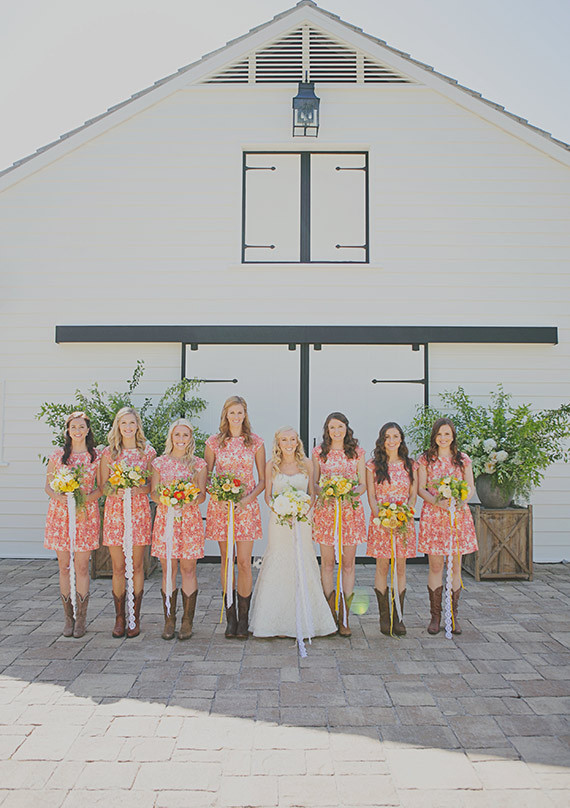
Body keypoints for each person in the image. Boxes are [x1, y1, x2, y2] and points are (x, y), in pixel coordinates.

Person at [250, 427, 336, 648]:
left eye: (292, 439)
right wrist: (280, 509)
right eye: (284, 440)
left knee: (303, 561)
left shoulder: (307, 464)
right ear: (277, 443)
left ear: (298, 442)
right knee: (279, 562)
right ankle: (275, 622)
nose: (288, 443)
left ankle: (309, 618)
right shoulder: (272, 465)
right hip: (279, 523)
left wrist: (302, 511)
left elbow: (312, 494)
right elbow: (268, 496)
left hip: (302, 521)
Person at [205, 396, 265, 638]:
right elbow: (206, 477)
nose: (236, 417)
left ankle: (244, 619)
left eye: (240, 412)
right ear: (225, 415)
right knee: (226, 560)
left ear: (245, 414)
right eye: (232, 413)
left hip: (246, 508)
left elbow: (262, 480)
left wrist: (247, 499)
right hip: (221, 508)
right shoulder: (214, 442)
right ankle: (230, 618)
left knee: (243, 562)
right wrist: (219, 494)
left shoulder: (256, 443)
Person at [100, 407, 156, 638]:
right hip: (115, 512)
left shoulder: (148, 452)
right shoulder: (109, 453)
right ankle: (120, 617)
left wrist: (135, 488)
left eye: (132, 423)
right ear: (118, 426)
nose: (128, 427)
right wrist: (119, 488)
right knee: (118, 567)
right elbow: (103, 486)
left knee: (137, 566)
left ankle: (135, 616)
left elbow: (153, 488)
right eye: (124, 423)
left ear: (138, 425)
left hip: (139, 511)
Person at [417, 418, 477, 635]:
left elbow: (470, 487)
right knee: (435, 566)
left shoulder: (463, 460)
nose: (443, 438)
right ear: (434, 436)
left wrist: (461, 499)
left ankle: (453, 615)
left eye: (447, 434)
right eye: (440, 434)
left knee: (455, 567)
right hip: (434, 516)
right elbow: (421, 489)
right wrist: (437, 501)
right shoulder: (426, 459)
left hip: (456, 516)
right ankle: (435, 616)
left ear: (453, 436)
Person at [44, 411, 101, 638]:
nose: (77, 431)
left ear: (88, 430)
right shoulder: (58, 455)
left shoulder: (96, 456)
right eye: (73, 427)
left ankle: (82, 619)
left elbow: (101, 488)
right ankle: (68, 618)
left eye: (81, 427)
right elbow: (48, 486)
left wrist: (80, 499)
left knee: (82, 567)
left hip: (86, 516)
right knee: (64, 566)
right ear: (68, 431)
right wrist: (62, 496)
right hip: (60, 516)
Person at [151, 419, 206, 640]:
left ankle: (187, 621)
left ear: (190, 438)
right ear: (171, 437)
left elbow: (202, 495)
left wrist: (187, 500)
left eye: (185, 435)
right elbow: (154, 493)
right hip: (166, 520)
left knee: (188, 570)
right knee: (168, 570)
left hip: (190, 521)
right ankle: (169, 619)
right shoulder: (159, 463)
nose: (181, 439)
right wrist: (168, 499)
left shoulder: (198, 464)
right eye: (177, 435)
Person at [312, 412, 366, 637]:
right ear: (327, 429)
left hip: (350, 513)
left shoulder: (357, 453)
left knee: (348, 563)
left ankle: (344, 615)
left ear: (346, 428)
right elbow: (314, 483)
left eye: (340, 426)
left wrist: (348, 493)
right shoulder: (318, 453)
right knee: (326, 563)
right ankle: (328, 614)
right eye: (332, 427)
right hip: (326, 511)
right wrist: (326, 492)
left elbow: (362, 484)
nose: (336, 431)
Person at [366, 422, 417, 637]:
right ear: (382, 440)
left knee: (401, 568)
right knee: (382, 567)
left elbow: (413, 494)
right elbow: (371, 495)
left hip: (403, 521)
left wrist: (404, 514)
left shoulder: (410, 465)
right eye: (388, 437)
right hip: (381, 522)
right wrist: (382, 516)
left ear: (401, 439)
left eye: (395, 436)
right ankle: (384, 616)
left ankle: (399, 617)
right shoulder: (373, 465)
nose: (392, 440)